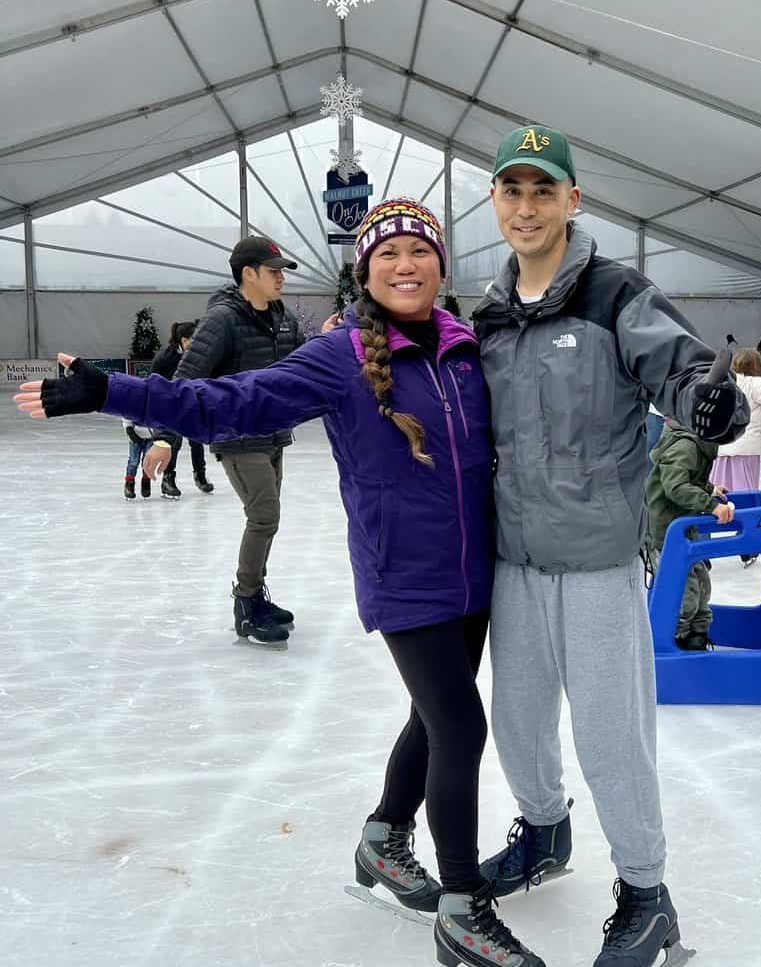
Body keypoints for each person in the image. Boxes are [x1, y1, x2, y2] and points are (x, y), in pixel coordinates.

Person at [15, 198, 545, 967]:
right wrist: (112, 392)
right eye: (388, 254)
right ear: (365, 271)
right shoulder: (338, 359)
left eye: (420, 252)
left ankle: (383, 838)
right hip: (404, 574)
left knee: (434, 721)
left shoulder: (468, 350)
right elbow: (228, 400)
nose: (406, 266)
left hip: (475, 573)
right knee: (461, 728)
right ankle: (461, 910)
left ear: (440, 265)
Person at [472, 124, 748, 967]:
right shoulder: (484, 314)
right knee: (517, 724)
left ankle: (646, 893)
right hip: (512, 559)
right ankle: (545, 834)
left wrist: (708, 401)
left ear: (572, 201)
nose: (527, 207)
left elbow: (684, 370)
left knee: (611, 735)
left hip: (594, 561)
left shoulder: (617, 295)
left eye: (543, 190)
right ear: (496, 203)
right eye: (512, 191)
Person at [143, 237, 303, 644]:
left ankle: (257, 595)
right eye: (273, 271)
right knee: (264, 515)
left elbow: (301, 364)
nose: (281, 278)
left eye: (282, 270)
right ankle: (246, 603)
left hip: (273, 434)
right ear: (249, 274)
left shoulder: (281, 316)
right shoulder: (222, 321)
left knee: (269, 519)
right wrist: (163, 437)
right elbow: (185, 379)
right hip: (236, 436)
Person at [646, 420, 735, 650]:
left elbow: (689, 479)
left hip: (682, 529)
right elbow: (675, 486)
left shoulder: (698, 443)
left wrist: (709, 489)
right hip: (665, 531)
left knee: (701, 580)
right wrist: (710, 505)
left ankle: (698, 632)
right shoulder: (685, 446)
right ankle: (676, 639)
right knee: (685, 587)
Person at [710, 347, 761, 566]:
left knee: (716, 495)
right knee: (746, 499)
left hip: (722, 450)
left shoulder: (725, 382)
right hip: (746, 450)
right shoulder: (754, 383)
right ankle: (746, 544)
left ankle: (701, 537)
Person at [149, 321, 214, 497]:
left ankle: (200, 476)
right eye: (195, 339)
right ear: (184, 340)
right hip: (171, 407)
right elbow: (153, 382)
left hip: (193, 405)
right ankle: (168, 480)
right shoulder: (165, 357)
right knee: (173, 443)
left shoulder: (197, 356)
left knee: (196, 442)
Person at [122, 417, 155, 499]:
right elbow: (126, 415)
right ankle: (129, 483)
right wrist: (129, 429)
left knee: (147, 461)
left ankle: (146, 482)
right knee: (133, 461)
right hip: (135, 435)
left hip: (151, 437)